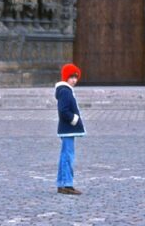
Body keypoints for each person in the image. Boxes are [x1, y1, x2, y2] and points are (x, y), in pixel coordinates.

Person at [55, 63, 85, 195]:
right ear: (65, 77)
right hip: (68, 128)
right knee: (68, 156)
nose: (74, 80)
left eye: (76, 77)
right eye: (72, 77)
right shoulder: (65, 91)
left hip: (66, 129)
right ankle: (67, 184)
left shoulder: (64, 90)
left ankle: (62, 184)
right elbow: (63, 111)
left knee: (65, 156)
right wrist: (75, 119)